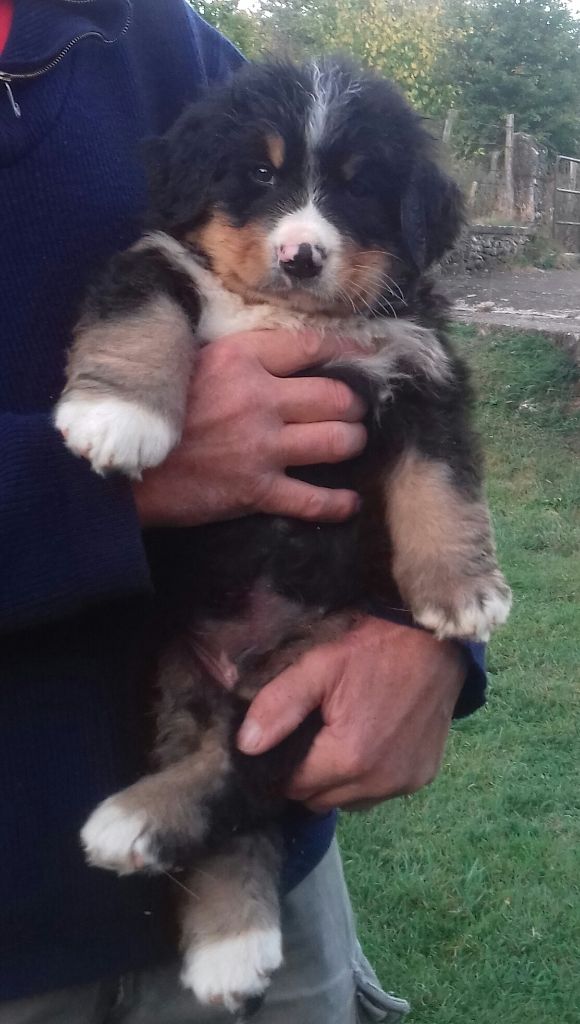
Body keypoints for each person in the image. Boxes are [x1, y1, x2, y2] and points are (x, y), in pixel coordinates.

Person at [0, 1, 486, 1021]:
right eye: (265, 184)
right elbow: (145, 284)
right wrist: (94, 483)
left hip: (295, 841)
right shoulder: (178, 255)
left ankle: (231, 895)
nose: (301, 233)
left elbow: (428, 444)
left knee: (259, 730)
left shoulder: (156, 38)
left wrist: (433, 637)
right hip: (23, 905)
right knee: (206, 727)